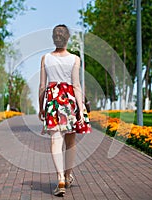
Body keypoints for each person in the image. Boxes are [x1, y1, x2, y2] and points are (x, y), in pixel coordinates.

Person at [38, 24, 91, 197]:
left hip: (53, 100)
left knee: (55, 141)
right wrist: (81, 108)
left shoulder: (45, 58)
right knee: (70, 142)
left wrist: (41, 108)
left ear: (54, 38)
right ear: (67, 39)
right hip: (69, 100)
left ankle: (60, 178)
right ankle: (68, 176)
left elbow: (42, 86)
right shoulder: (75, 59)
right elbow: (76, 85)